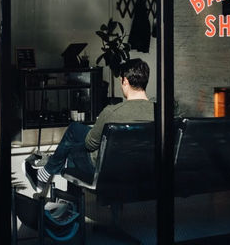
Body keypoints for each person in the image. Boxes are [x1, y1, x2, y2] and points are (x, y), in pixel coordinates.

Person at [25, 58, 154, 196]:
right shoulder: (160, 112)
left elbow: (90, 144)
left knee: (72, 142)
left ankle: (46, 174)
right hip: (144, 172)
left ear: (125, 81)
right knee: (76, 133)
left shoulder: (112, 112)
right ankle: (47, 171)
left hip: (108, 173)